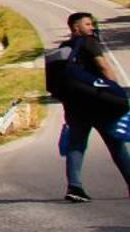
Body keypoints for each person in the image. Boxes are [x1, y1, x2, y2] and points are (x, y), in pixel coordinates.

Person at [54, 11, 130, 202]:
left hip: (75, 107)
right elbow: (104, 66)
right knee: (117, 145)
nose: (91, 27)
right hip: (98, 104)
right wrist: (116, 90)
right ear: (76, 27)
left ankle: (75, 187)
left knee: (76, 145)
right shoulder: (89, 42)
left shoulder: (63, 48)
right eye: (87, 24)